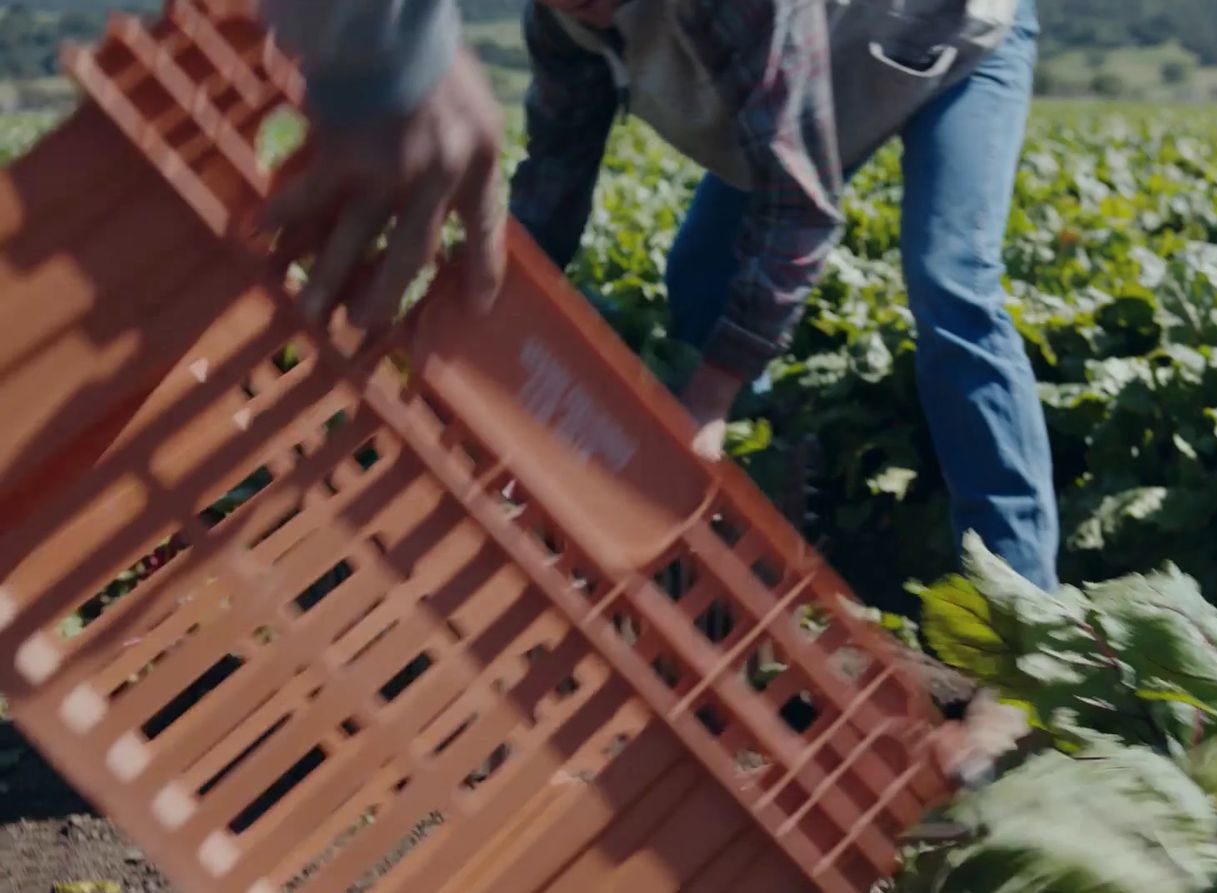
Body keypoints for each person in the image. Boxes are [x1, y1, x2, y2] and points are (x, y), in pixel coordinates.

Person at [257, 0, 1049, 782]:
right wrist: (461, 327)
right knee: (702, 276)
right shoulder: (561, 24)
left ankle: (1027, 639)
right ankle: (763, 565)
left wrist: (708, 400)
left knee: (951, 288)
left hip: (952, 34)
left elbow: (802, 209)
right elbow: (555, 184)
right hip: (816, 80)